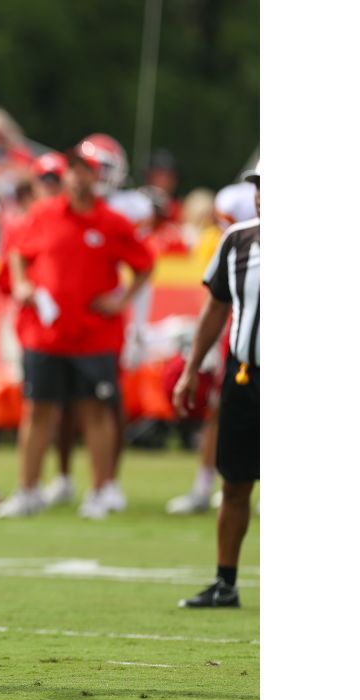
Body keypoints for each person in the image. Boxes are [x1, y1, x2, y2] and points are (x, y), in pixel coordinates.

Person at [0, 137, 154, 520]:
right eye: (72, 169)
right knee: (37, 411)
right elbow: (18, 250)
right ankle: (28, 490)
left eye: (83, 169)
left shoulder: (112, 223)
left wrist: (122, 299)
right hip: (45, 333)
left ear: (96, 176)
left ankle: (99, 490)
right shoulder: (43, 213)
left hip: (94, 335)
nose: (76, 176)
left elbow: (145, 263)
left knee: (95, 413)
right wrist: (21, 283)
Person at [174, 165, 259, 608]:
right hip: (246, 374)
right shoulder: (238, 241)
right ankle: (225, 581)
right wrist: (192, 368)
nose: (262, 196)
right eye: (260, 188)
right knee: (235, 481)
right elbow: (215, 308)